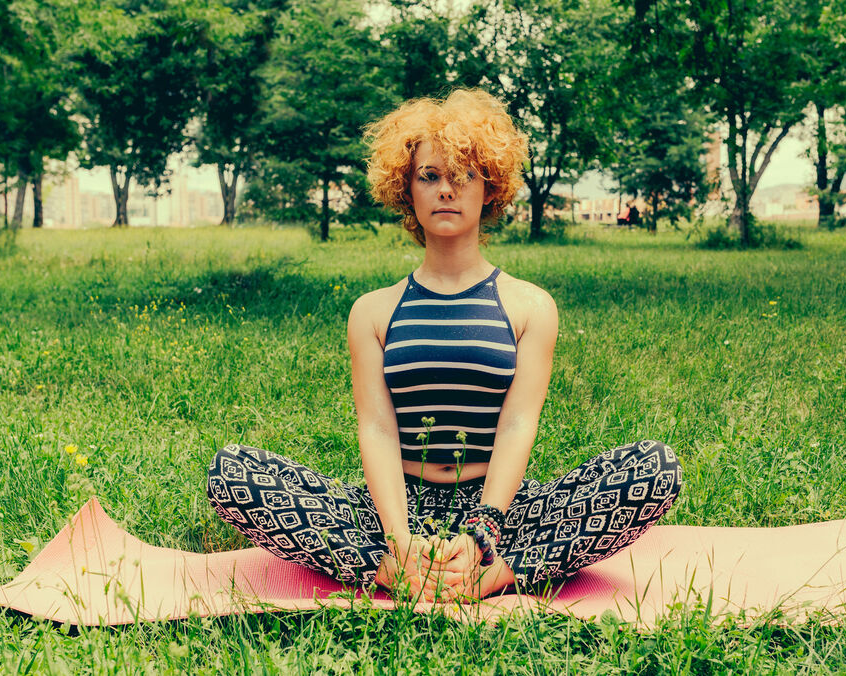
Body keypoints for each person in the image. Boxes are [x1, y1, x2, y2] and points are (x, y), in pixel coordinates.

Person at [206, 89, 683, 604]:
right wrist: (397, 537)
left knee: (655, 467)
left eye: (464, 175)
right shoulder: (372, 312)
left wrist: (485, 530)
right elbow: (377, 429)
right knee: (231, 471)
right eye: (429, 176)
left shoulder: (531, 307)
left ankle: (497, 573)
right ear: (406, 189)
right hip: (390, 509)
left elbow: (518, 424)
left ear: (490, 187)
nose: (446, 190)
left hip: (503, 512)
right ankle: (392, 569)